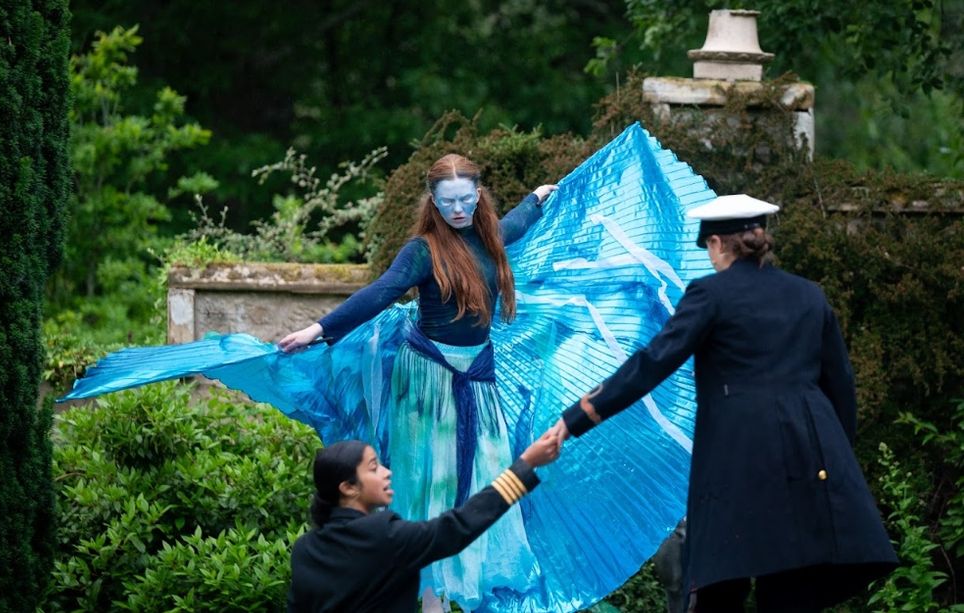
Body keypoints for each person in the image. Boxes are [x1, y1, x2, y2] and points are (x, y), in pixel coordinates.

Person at [547, 194, 898, 612]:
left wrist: (577, 418)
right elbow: (841, 385)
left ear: (716, 244)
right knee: (788, 582)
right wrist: (836, 456)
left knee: (720, 579)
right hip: (807, 454)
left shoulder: (711, 294)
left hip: (738, 455)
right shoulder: (808, 295)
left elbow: (652, 363)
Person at [278, 153, 558, 608]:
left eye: (466, 199)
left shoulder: (491, 240)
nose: (458, 210)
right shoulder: (423, 251)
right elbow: (381, 291)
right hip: (427, 384)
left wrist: (538, 198)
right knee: (429, 487)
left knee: (487, 473)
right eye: (448, 202)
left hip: (478, 379)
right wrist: (319, 329)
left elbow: (516, 223)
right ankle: (430, 604)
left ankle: (469, 595)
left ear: (479, 194)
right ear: (433, 200)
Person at [286, 431, 560, 612]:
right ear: (348, 487)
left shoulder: (304, 549)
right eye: (373, 467)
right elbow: (459, 527)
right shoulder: (384, 536)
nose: (387, 472)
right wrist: (524, 465)